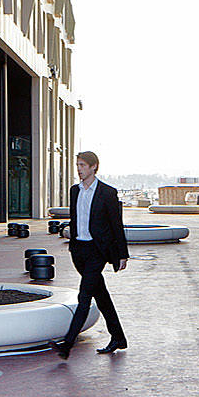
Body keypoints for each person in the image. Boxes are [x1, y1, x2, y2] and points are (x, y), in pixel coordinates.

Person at [52, 151, 129, 358]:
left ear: (94, 167)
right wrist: (72, 242)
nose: (79, 169)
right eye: (77, 165)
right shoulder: (74, 191)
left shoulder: (107, 193)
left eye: (83, 165)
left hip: (97, 251)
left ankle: (67, 345)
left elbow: (116, 225)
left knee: (84, 296)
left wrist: (122, 254)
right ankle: (118, 338)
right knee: (101, 296)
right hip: (79, 251)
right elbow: (75, 219)